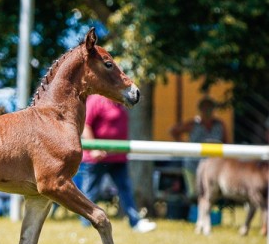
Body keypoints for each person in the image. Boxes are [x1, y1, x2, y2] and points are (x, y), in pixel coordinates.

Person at [80, 94, 157, 233]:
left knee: (126, 190)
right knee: (90, 193)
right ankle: (86, 224)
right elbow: (86, 125)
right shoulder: (96, 100)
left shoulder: (121, 103)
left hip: (118, 157)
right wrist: (93, 149)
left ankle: (135, 222)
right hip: (96, 158)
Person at [170, 96, 228, 200]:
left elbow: (226, 142)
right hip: (194, 164)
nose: (207, 111)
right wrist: (184, 144)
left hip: (214, 164)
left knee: (212, 193)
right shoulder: (193, 124)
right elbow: (173, 131)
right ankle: (195, 212)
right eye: (205, 108)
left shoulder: (220, 125)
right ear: (200, 110)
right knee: (195, 194)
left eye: (210, 108)